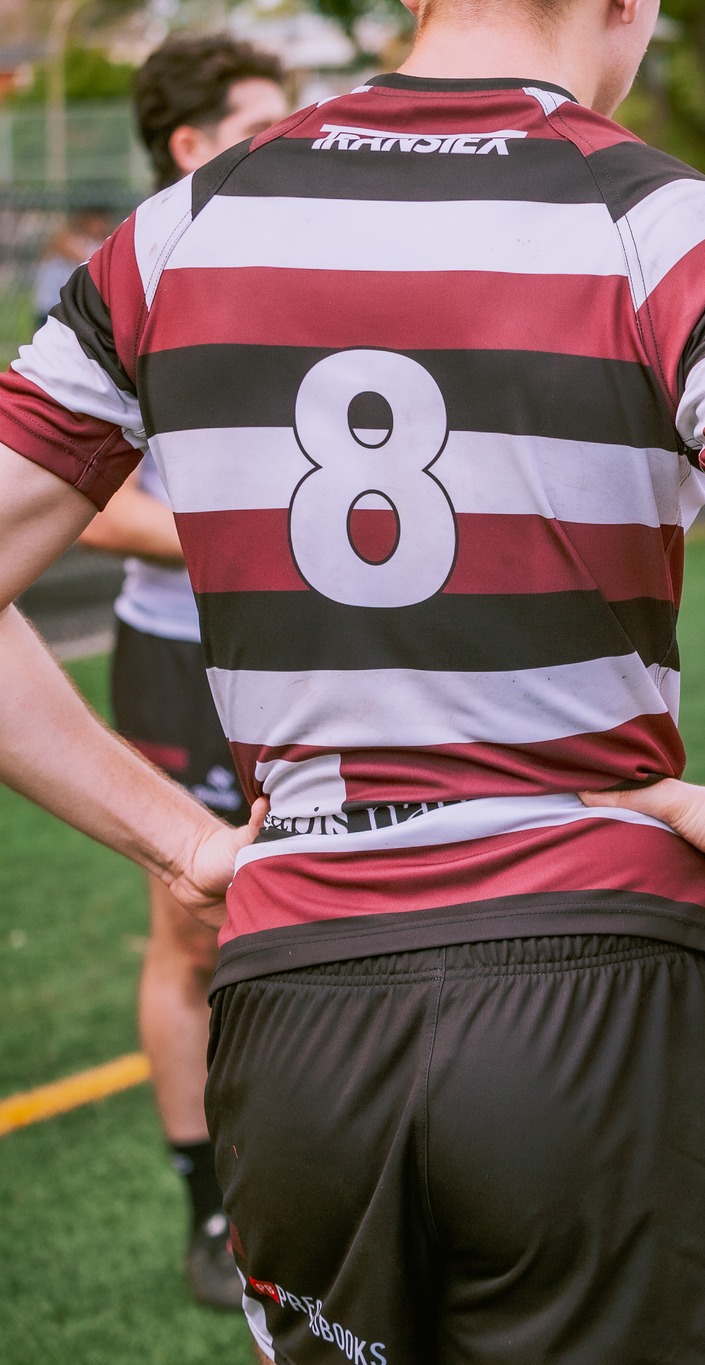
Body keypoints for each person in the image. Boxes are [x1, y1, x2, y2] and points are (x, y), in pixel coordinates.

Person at [0, 0, 705, 1357]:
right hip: (587, 993)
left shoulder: (181, 229)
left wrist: (184, 843)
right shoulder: (673, 227)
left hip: (293, 1004)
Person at [60, 33, 289, 1313]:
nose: (297, 131)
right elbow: (76, 508)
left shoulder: (304, 253)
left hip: (304, 650)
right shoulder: (137, 274)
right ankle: (213, 1210)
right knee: (193, 929)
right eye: (266, 116)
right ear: (193, 145)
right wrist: (248, 539)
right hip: (174, 651)